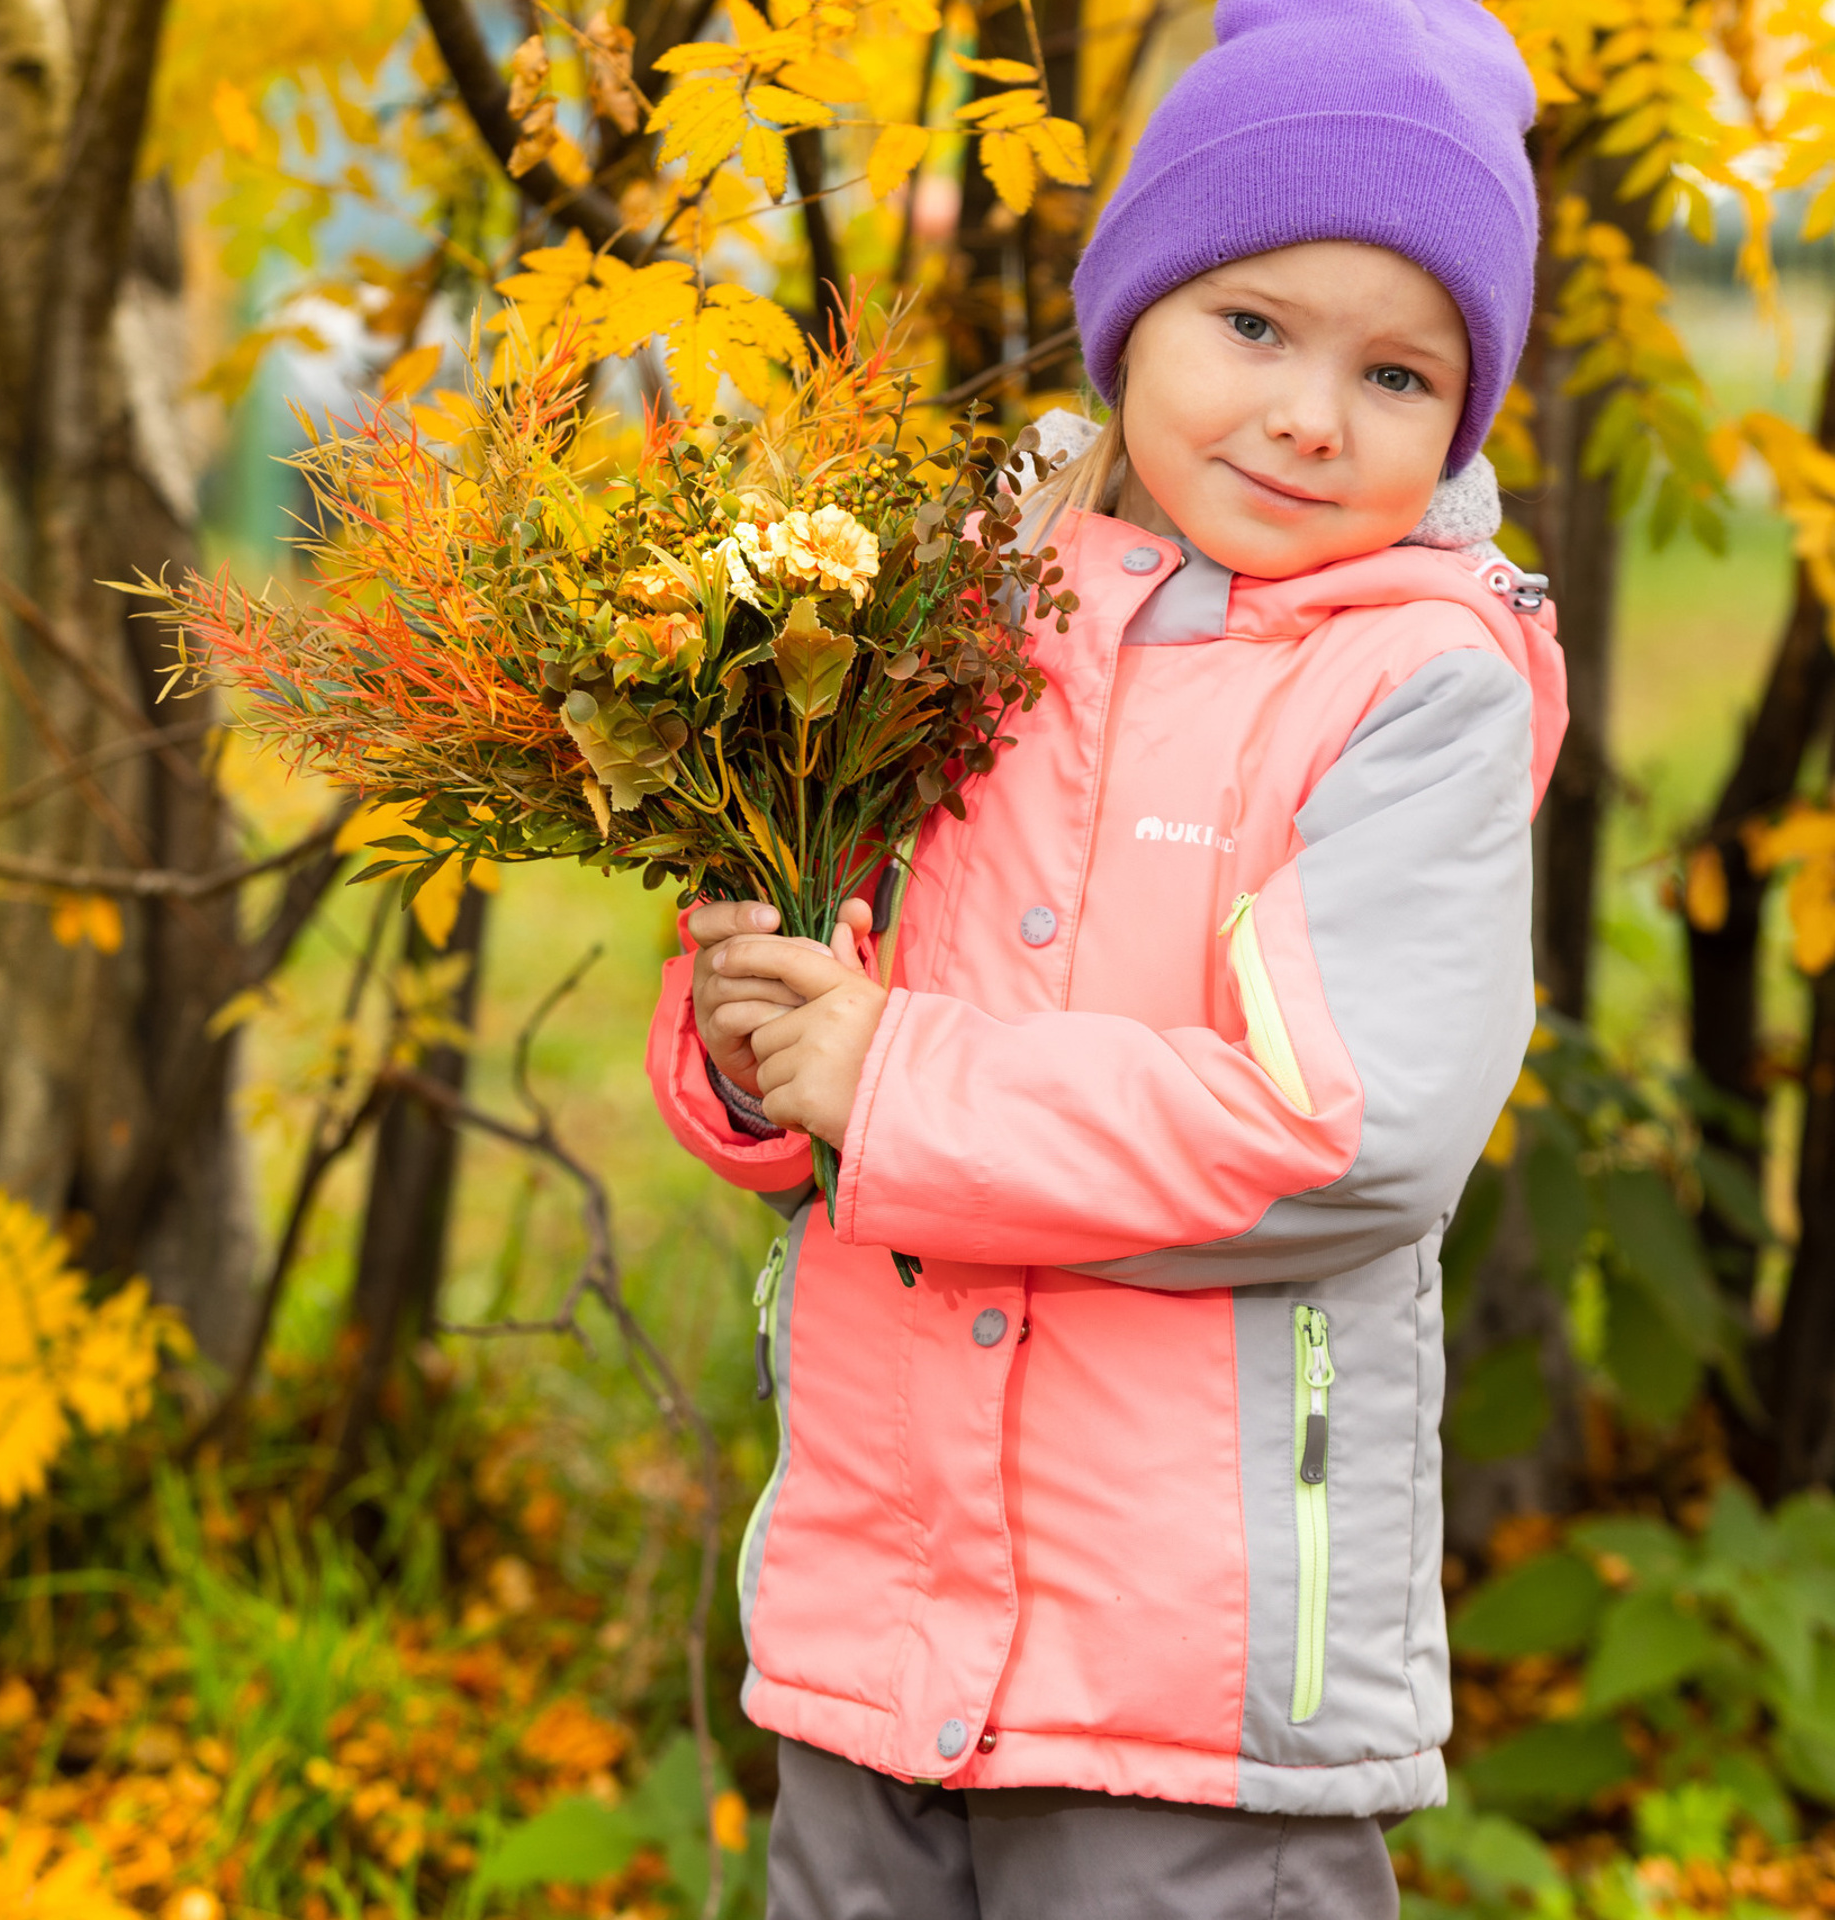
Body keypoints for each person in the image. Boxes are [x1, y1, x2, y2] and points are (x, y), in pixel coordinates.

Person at [645, 1, 1568, 1912]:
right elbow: (826, 1049)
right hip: (874, 1623)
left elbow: (1344, 1129)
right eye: (1253, 327)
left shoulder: (1413, 689)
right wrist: (758, 1036)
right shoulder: (947, 626)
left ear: (1459, 417)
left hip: (1192, 1674)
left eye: (1398, 373)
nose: (1312, 412)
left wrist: (885, 1077)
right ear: (1129, 314)